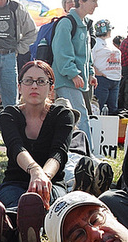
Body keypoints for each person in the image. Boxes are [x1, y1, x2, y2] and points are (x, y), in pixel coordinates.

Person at [0, 60, 74, 242]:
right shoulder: (9, 114)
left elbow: (59, 153)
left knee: (39, 202)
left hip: (52, 183)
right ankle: (23, 234)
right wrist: (34, 171)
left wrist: (44, 177)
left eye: (41, 81)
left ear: (51, 87)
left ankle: (7, 231)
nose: (34, 86)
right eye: (28, 80)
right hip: (15, 182)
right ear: (20, 85)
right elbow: (15, 148)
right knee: (18, 202)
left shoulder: (63, 115)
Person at [52, 0, 98, 151]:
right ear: (82, 1)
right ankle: (87, 155)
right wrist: (72, 74)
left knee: (74, 117)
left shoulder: (85, 24)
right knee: (80, 116)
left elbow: (87, 55)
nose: (96, 5)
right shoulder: (66, 23)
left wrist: (90, 73)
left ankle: (78, 153)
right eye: (94, 1)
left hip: (78, 80)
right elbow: (61, 52)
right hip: (67, 80)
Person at [92, 19, 121, 115]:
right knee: (98, 107)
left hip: (115, 80)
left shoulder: (109, 43)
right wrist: (97, 72)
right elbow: (90, 60)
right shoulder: (95, 43)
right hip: (103, 79)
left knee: (113, 109)